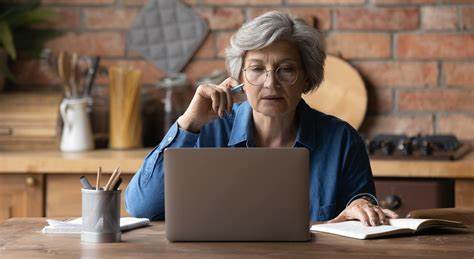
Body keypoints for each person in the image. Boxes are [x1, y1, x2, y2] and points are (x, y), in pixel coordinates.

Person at [125, 11, 398, 226]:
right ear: (239, 78)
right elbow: (142, 208)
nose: (270, 83)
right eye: (256, 69)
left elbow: (360, 207)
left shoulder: (342, 139)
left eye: (286, 70)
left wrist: (362, 205)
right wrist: (188, 123)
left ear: (306, 78)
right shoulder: (207, 131)